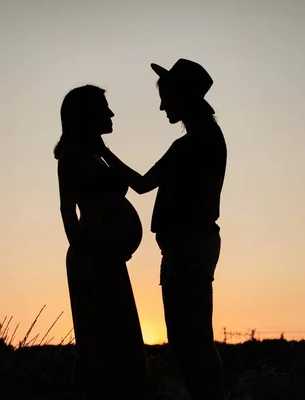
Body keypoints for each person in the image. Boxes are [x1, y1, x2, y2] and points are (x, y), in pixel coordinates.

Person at [97, 59, 226, 400]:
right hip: (184, 249)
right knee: (190, 340)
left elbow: (141, 185)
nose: (161, 105)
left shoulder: (194, 144)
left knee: (191, 341)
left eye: (167, 97)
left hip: (188, 248)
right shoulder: (202, 140)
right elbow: (143, 185)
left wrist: (103, 153)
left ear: (183, 97)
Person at [55, 85, 149, 400]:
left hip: (106, 259)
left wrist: (106, 150)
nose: (111, 114)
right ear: (86, 115)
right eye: (104, 108)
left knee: (117, 342)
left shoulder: (95, 154)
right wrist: (84, 252)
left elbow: (137, 184)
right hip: (93, 261)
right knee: (101, 344)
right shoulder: (73, 156)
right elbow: (67, 209)